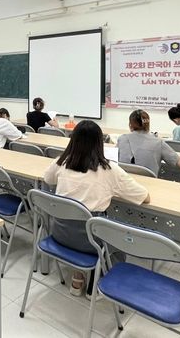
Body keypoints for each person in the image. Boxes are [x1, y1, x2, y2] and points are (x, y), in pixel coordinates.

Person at [43, 120, 149, 296]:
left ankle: (78, 279)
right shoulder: (110, 169)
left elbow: (47, 179)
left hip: (60, 233)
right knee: (117, 237)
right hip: (91, 242)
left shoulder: (62, 161)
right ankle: (96, 283)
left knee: (82, 221)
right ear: (99, 143)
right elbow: (144, 197)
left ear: (73, 140)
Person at [118, 109, 180, 177]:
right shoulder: (158, 143)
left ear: (130, 125)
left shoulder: (122, 139)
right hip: (149, 185)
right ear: (148, 124)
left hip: (125, 183)